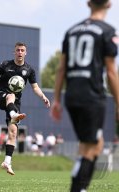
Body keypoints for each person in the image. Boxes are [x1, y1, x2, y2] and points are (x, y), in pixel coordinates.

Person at [50, 0, 119, 191]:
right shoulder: (108, 31)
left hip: (72, 95)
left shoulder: (71, 31)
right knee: (91, 147)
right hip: (92, 96)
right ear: (109, 4)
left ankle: (81, 188)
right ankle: (78, 188)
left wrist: (56, 100)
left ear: (89, 4)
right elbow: (112, 72)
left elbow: (61, 68)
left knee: (92, 145)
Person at [0, 42, 50, 175]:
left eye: (22, 50)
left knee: (13, 132)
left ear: (25, 53)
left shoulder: (29, 70)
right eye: (18, 50)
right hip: (1, 96)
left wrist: (43, 97)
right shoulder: (6, 64)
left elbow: (35, 87)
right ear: (14, 52)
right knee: (10, 96)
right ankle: (13, 114)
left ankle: (7, 162)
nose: (20, 52)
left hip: (15, 103)